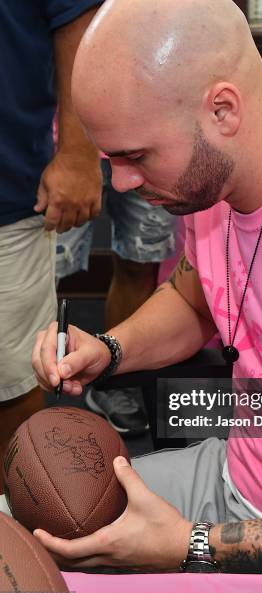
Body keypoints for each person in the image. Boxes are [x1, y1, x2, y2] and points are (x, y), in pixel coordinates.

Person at [26, 0, 262, 577]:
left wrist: (192, 545)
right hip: (235, 472)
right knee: (19, 535)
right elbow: (193, 298)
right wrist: (109, 350)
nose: (123, 184)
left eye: (135, 157)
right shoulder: (214, 180)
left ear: (223, 110)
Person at [0, 1, 104, 492]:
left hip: (6, 191)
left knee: (12, 379)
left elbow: (75, 19)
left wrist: (80, 152)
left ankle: (8, 529)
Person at [55, 156, 177, 437]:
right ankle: (26, 390)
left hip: (153, 142)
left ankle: (114, 383)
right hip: (69, 145)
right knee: (46, 269)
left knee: (139, 264)